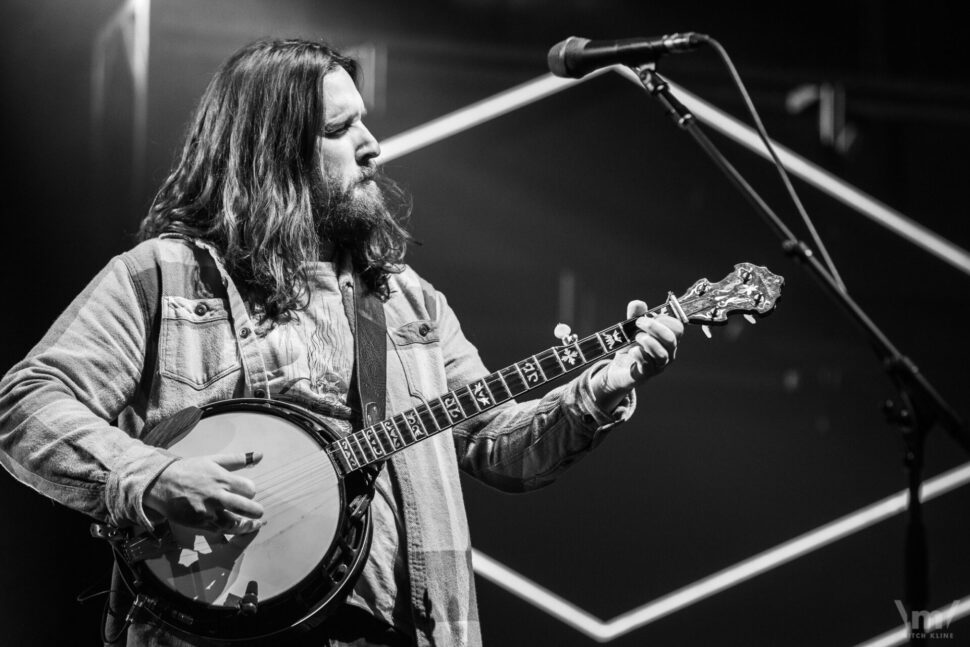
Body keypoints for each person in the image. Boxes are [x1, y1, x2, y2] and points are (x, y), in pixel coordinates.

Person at [0, 38, 683, 647]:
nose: (372, 143)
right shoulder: (164, 275)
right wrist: (151, 474)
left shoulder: (407, 300)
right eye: (340, 126)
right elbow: (26, 402)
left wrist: (596, 392)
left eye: (364, 119)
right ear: (273, 151)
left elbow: (494, 443)